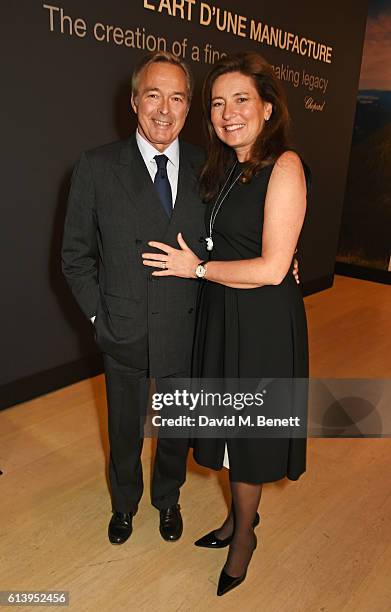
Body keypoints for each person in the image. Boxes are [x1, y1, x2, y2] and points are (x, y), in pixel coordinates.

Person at [142, 52, 309, 596]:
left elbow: (273, 267)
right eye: (217, 103)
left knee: (249, 436)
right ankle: (239, 520)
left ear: (267, 107)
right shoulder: (228, 167)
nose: (227, 112)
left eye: (241, 100)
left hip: (259, 320)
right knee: (227, 429)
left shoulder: (284, 166)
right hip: (221, 311)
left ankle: (244, 538)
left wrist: (200, 268)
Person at [61, 51, 208, 544]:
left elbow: (237, 237)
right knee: (124, 430)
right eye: (153, 95)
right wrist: (100, 315)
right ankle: (124, 505)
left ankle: (169, 499)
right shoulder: (96, 167)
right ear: (133, 101)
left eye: (177, 97)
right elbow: (75, 256)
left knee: (176, 429)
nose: (164, 109)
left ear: (189, 107)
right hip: (122, 326)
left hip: (186, 327)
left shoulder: (210, 170)